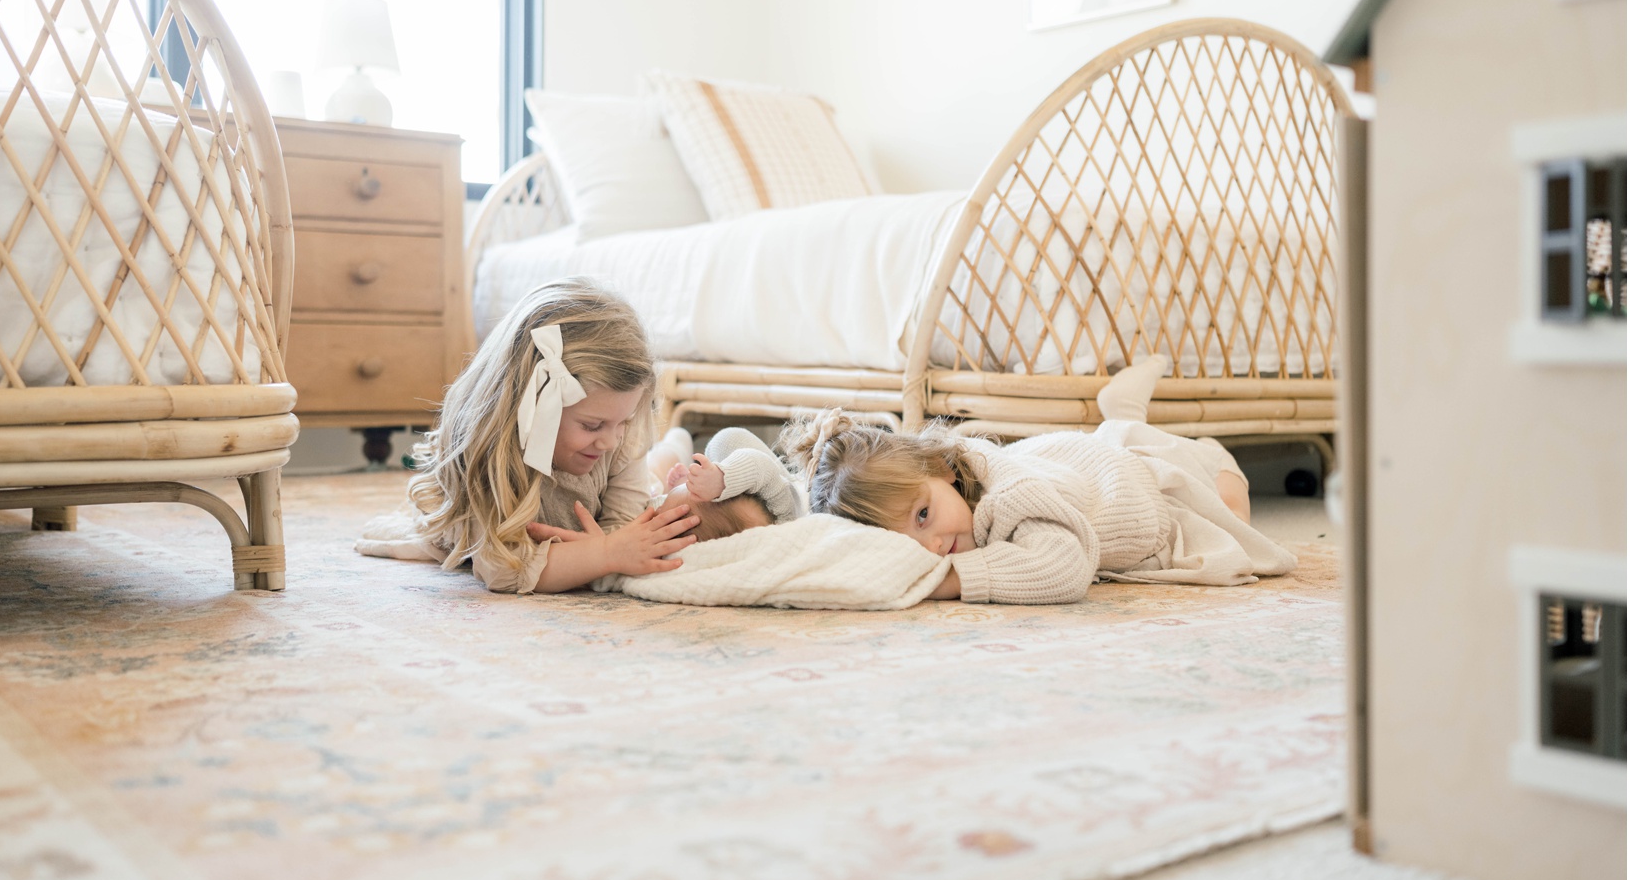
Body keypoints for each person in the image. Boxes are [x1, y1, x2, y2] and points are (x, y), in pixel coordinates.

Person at [779, 355, 1297, 604]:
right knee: (1116, 436)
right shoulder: (947, 494)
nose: (935, 547)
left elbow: (1063, 568)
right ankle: (1122, 414)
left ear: (940, 469)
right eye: (908, 542)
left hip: (1156, 488)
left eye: (922, 516)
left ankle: (1128, 417)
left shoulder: (1008, 497)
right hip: (1083, 465)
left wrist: (952, 582)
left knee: (1235, 511)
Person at [403, 277, 700, 593]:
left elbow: (626, 528)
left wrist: (605, 549)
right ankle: (672, 447)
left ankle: (676, 444)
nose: (611, 441)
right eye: (591, 425)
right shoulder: (489, 452)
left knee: (659, 477)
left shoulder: (617, 434)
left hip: (621, 494)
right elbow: (504, 570)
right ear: (529, 408)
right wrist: (605, 553)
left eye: (623, 422)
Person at [537, 426, 802, 548]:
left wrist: (601, 547)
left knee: (660, 468)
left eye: (664, 509)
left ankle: (677, 443)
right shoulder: (784, 514)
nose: (658, 510)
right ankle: (680, 435)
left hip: (648, 489)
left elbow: (617, 555)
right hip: (654, 483)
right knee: (668, 453)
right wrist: (722, 479)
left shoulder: (671, 545)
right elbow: (760, 465)